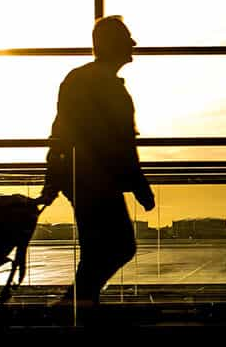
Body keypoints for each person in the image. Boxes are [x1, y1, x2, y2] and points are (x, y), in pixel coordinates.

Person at [38, 16, 155, 306]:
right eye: (127, 38)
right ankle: (77, 303)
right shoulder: (103, 85)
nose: (133, 43)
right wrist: (139, 185)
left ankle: (80, 303)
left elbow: (61, 131)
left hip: (82, 178)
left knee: (99, 247)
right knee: (119, 245)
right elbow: (120, 143)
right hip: (96, 180)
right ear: (112, 44)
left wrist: (53, 179)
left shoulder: (80, 79)